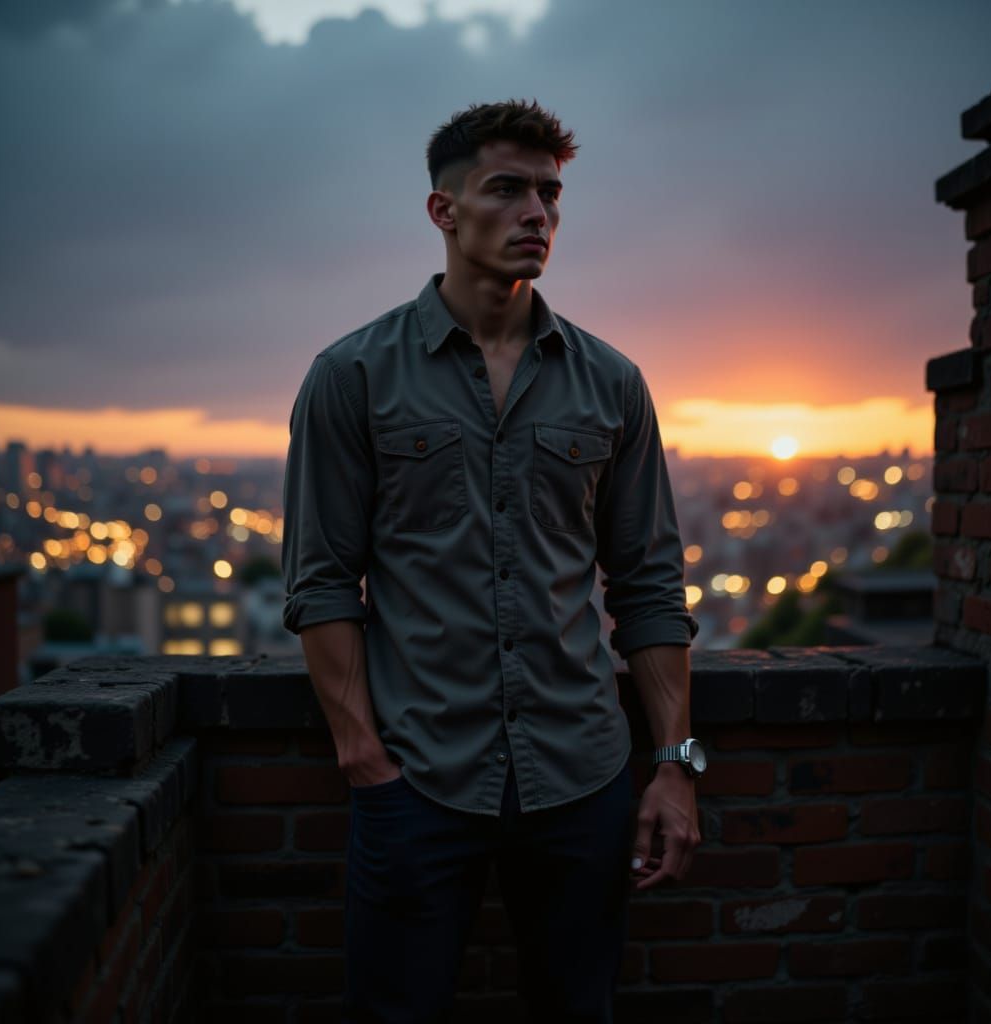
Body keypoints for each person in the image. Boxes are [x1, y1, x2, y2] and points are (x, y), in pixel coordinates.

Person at [281, 98, 704, 1024]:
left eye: (550, 193)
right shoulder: (353, 376)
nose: (537, 214)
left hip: (582, 779)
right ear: (443, 211)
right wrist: (362, 755)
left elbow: (648, 588)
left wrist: (674, 764)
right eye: (507, 190)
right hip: (420, 780)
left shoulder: (612, 382)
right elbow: (320, 581)